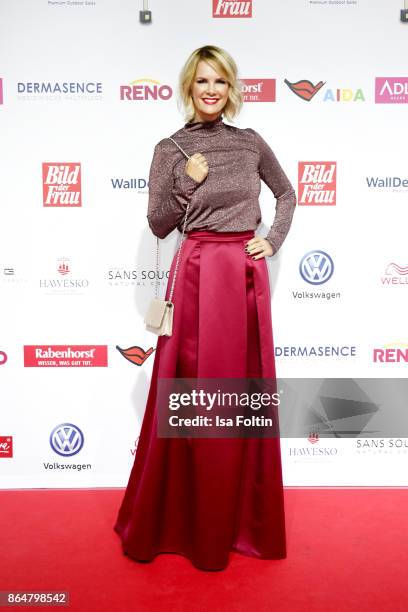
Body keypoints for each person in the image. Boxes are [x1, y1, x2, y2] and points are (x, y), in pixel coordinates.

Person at [113, 44, 297, 572]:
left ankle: (239, 519)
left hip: (241, 273)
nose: (211, 91)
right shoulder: (170, 147)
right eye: (201, 82)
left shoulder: (250, 143)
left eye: (220, 82)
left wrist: (272, 240)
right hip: (195, 273)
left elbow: (285, 194)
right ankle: (183, 520)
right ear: (188, 89)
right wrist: (186, 181)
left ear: (232, 88)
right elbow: (158, 223)